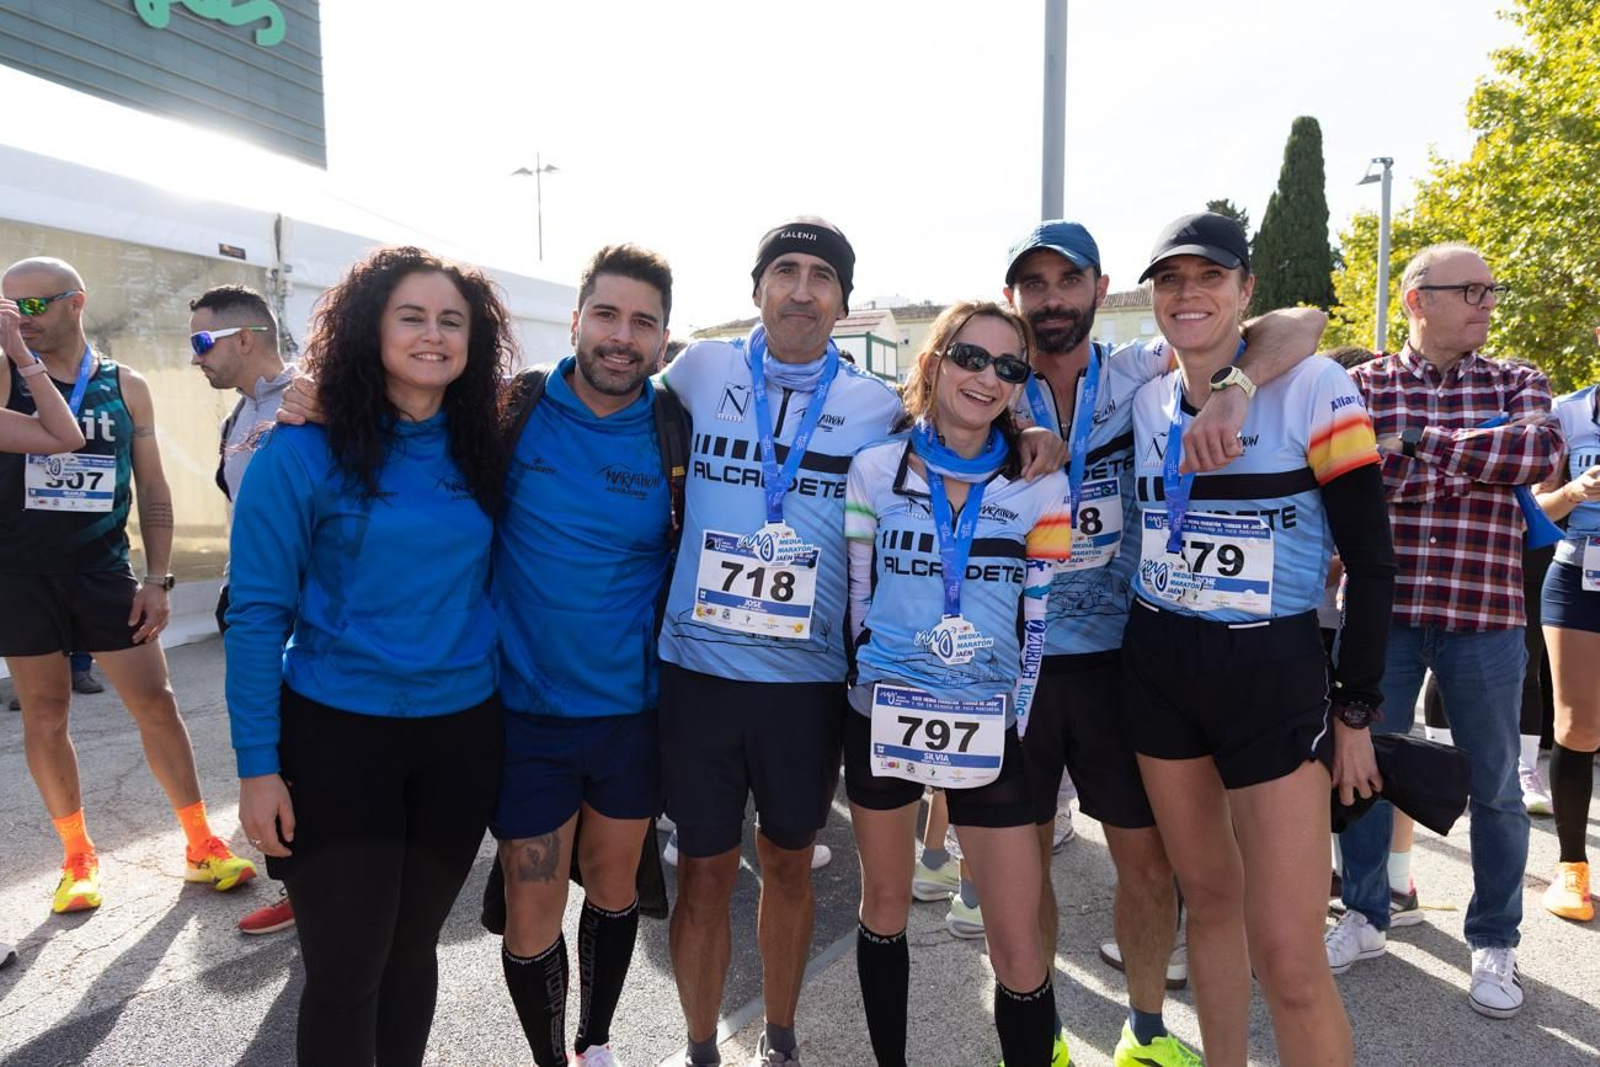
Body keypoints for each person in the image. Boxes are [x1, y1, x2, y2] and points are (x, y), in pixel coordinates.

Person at [655, 217, 1065, 1067]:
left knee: (792, 865)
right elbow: (610, 381)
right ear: (757, 286)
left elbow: (974, 416)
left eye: (823, 277)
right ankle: (700, 1049)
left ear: (844, 302)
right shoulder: (699, 368)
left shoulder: (878, 410)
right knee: (703, 872)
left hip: (812, 685)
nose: (802, 290)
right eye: (786, 270)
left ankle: (780, 1040)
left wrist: (1032, 430)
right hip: (703, 672)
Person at [1000, 219, 1327, 1066]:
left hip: (1121, 662)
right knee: (1023, 868)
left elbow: (1302, 321)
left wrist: (1236, 388)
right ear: (1013, 297)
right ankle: (1039, 1038)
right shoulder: (988, 378)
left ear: (1101, 290)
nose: (1051, 300)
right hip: (1016, 664)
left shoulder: (1138, 369)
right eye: (1034, 285)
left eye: (1068, 281)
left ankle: (1145, 1032)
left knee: (1147, 866)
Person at [227, 246, 508, 1065]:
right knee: (348, 969)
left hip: (460, 739)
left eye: (451, 321)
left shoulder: (488, 444)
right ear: (367, 329)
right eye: (411, 317)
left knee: (412, 952)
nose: (433, 335)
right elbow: (256, 615)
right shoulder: (299, 451)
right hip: (337, 739)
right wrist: (257, 766)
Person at [1126, 213, 1393, 1065]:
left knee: (1288, 956)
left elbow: (1373, 562)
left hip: (1270, 672)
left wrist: (1356, 708)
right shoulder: (1146, 393)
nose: (1188, 293)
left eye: (1210, 276)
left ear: (1246, 290)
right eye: (1170, 279)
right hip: (1160, 665)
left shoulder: (1314, 385)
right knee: (1208, 906)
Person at [1326, 243, 1561, 1021]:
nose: (1488, 303)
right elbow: (1350, 475)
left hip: (1484, 615)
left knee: (1496, 786)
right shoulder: (1362, 384)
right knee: (1361, 768)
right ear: (1416, 300)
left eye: (1492, 290)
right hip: (1381, 617)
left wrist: (1419, 442)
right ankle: (1365, 915)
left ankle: (1494, 937)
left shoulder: (1518, 379)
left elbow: (1538, 452)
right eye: (1471, 290)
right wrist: (1476, 457)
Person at [843, 299, 1072, 1066]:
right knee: (885, 903)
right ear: (933, 362)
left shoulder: (1040, 483)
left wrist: (1016, 719)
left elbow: (1037, 620)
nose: (986, 377)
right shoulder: (876, 468)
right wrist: (867, 684)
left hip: (989, 722)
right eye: (970, 357)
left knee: (1016, 942)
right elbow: (857, 598)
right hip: (883, 712)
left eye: (1008, 366)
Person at [0, 256, 255, 916]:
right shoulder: (7, 368)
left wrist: (159, 578)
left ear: (75, 302)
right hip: (21, 574)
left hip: (103, 569)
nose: (21, 320)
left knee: (156, 702)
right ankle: (76, 858)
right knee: (46, 712)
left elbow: (153, 486)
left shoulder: (125, 383)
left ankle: (200, 844)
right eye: (10, 307)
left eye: (33, 306)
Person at [491, 244, 684, 1067]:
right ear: (576, 319)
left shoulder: (676, 425)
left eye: (643, 321)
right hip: (523, 713)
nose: (621, 335)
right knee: (531, 906)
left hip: (631, 714)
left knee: (612, 889)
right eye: (606, 313)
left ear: (664, 337)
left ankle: (595, 1042)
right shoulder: (511, 406)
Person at [187, 283, 301, 938]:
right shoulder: (237, 417)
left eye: (203, 341)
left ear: (247, 337)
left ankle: (309, 887)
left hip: (301, 610)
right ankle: (302, 880)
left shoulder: (312, 398)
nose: (195, 356)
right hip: (249, 601)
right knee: (269, 748)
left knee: (301, 750)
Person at [1533, 361, 1600, 922]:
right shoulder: (1567, 413)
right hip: (1578, 577)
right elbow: (1537, 507)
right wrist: (1577, 490)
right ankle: (1572, 866)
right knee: (1577, 727)